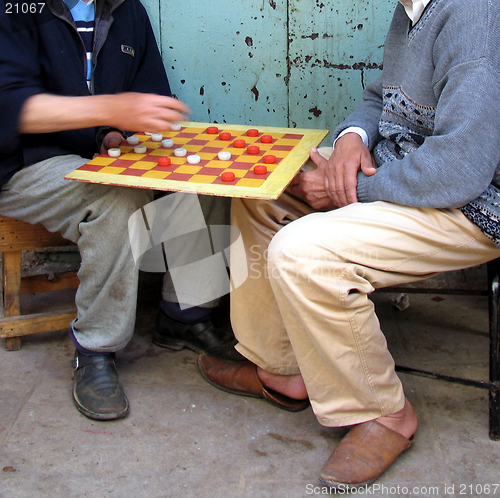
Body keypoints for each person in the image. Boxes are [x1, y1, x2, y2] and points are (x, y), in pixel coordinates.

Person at [197, 0, 500, 489]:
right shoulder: (413, 10)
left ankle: (384, 415)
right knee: (263, 191)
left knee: (304, 252)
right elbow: (382, 98)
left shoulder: (476, 20)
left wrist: (349, 189)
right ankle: (284, 370)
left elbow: (461, 171)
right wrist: (351, 140)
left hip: (470, 207)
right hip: (405, 174)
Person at [0, 0, 241, 422]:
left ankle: (185, 317)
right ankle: (95, 348)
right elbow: (8, 108)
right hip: (23, 162)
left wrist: (114, 132)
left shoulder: (126, 9)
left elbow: (151, 96)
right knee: (116, 196)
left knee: (210, 174)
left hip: (94, 151)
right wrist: (110, 111)